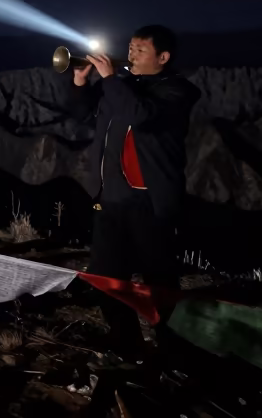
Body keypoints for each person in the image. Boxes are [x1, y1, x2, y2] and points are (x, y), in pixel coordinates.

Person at [65, 25, 200, 356]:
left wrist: (110, 81)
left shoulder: (177, 91)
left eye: (140, 50)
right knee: (107, 276)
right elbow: (84, 116)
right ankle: (124, 340)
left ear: (163, 57)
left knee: (159, 279)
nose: (131, 55)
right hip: (110, 198)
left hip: (149, 201)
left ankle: (171, 346)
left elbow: (139, 115)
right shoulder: (124, 86)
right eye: (130, 48)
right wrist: (81, 83)